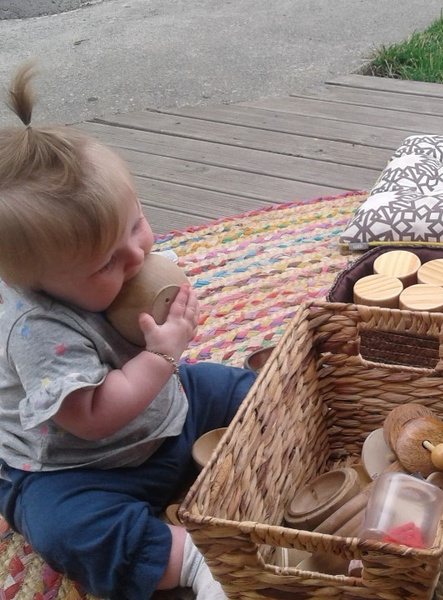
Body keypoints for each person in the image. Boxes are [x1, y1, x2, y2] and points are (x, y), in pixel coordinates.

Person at [0, 64, 257, 600]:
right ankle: (188, 557)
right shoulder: (36, 328)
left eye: (136, 225)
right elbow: (91, 417)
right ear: (40, 282)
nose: (138, 256)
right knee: (69, 529)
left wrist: (164, 317)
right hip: (82, 468)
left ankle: (293, 424)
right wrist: (161, 356)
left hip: (166, 416)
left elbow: (136, 282)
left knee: (232, 386)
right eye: (107, 263)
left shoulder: (106, 264)